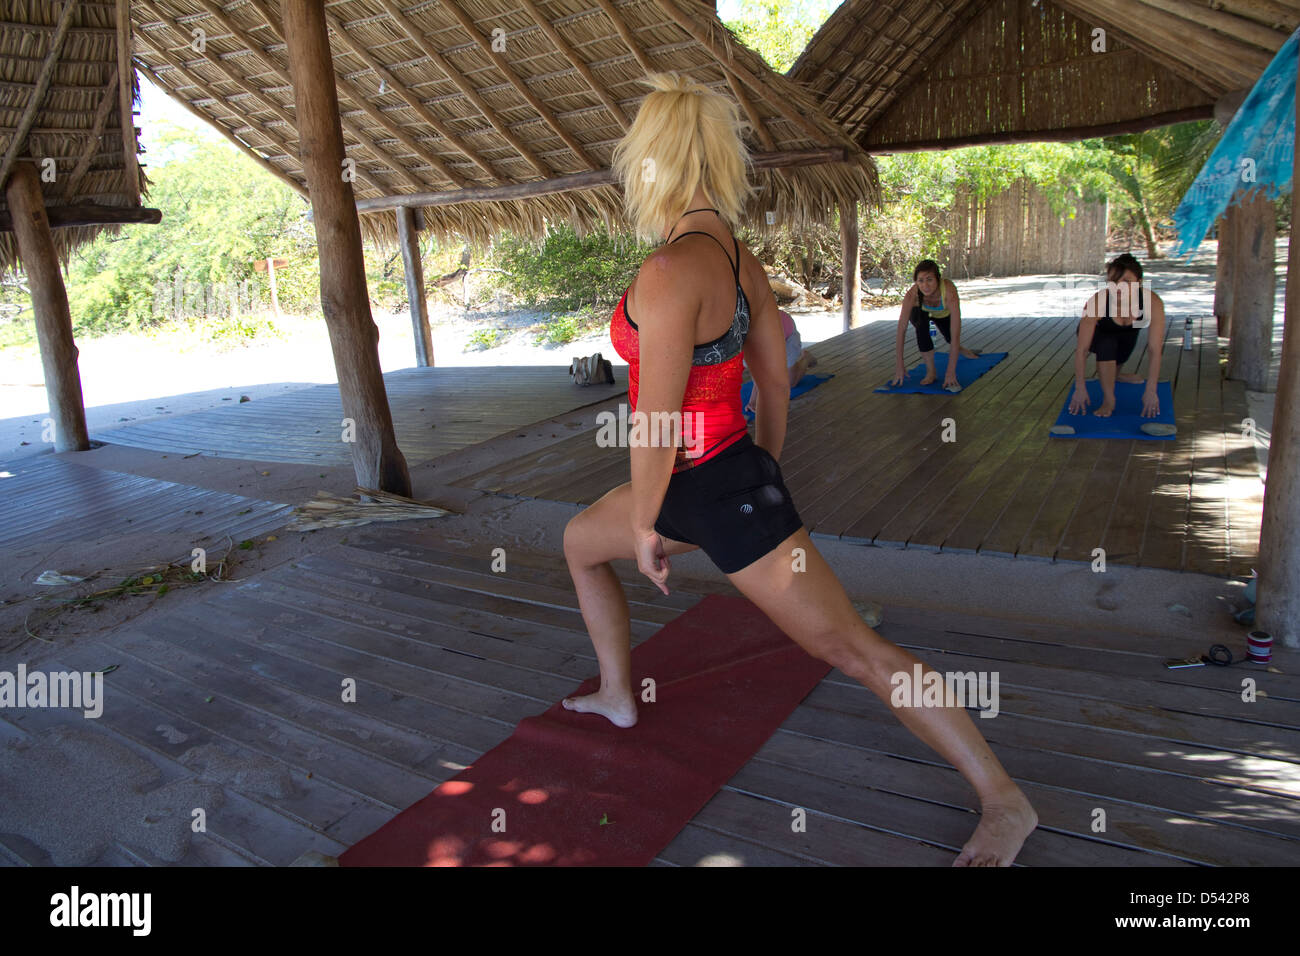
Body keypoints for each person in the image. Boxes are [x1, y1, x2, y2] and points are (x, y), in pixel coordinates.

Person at [561, 72, 1037, 866]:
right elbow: (773, 378)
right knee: (579, 541)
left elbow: (655, 417)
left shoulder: (673, 270)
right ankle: (617, 694)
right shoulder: (738, 260)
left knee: (852, 649)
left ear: (654, 162)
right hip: (718, 481)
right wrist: (764, 464)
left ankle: (1005, 800)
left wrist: (651, 524)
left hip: (698, 487)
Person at [1069, 253, 1166, 418]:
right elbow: (1082, 350)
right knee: (1107, 345)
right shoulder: (1098, 301)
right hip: (1098, 334)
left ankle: (1116, 375)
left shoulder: (1152, 302)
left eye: (1126, 282)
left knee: (1119, 354)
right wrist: (1080, 387)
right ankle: (1109, 400)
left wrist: (1151, 390)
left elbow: (1154, 349)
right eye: (1113, 282)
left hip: (1127, 333)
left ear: (1139, 283)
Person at [890, 260, 981, 390]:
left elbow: (955, 335)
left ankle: (963, 351)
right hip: (921, 312)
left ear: (938, 279)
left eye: (929, 280)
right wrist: (899, 365)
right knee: (921, 329)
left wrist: (950, 373)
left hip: (943, 313)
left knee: (950, 337)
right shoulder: (912, 295)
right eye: (920, 280)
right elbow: (901, 330)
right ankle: (931, 371)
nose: (925, 285)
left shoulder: (949, 292)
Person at [743, 307, 818, 413]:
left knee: (791, 382)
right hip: (765, 337)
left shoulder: (765, 333)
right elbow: (755, 367)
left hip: (787, 335)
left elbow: (765, 369)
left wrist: (754, 400)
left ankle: (806, 359)